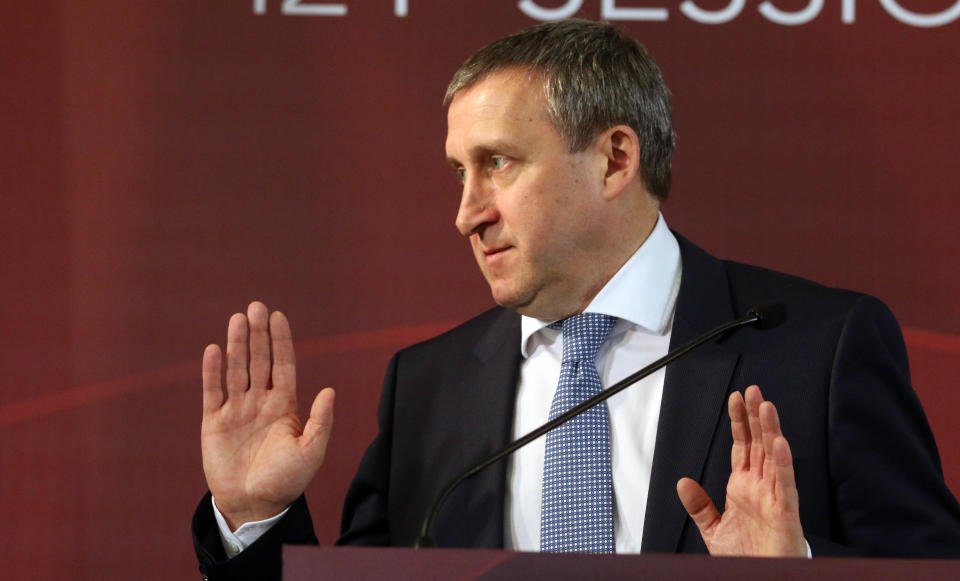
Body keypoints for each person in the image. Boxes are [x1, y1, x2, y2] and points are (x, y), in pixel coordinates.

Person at [191, 19, 960, 580]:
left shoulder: (817, 349)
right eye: (459, 172)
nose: (466, 212)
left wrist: (798, 567)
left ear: (615, 159)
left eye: (497, 164)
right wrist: (254, 517)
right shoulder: (430, 383)